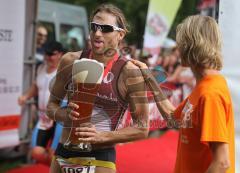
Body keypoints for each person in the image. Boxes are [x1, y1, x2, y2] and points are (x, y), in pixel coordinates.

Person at [46, 4, 152, 173]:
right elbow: (51, 106)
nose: (97, 33)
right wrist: (63, 115)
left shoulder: (129, 72)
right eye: (94, 27)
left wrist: (102, 136)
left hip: (100, 157)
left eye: (106, 29)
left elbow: (142, 128)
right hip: (63, 153)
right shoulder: (70, 60)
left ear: (120, 34)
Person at [132, 15, 235, 173]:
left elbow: (221, 163)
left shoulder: (210, 93)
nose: (178, 50)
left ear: (191, 46)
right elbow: (173, 118)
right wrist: (149, 78)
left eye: (181, 44)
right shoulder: (205, 86)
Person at [18, 41, 65, 165]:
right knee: (36, 152)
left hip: (59, 119)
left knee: (53, 154)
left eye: (52, 54)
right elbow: (36, 86)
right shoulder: (41, 67)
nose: (48, 57)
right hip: (43, 118)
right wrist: (25, 96)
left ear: (60, 54)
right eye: (46, 54)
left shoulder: (65, 71)